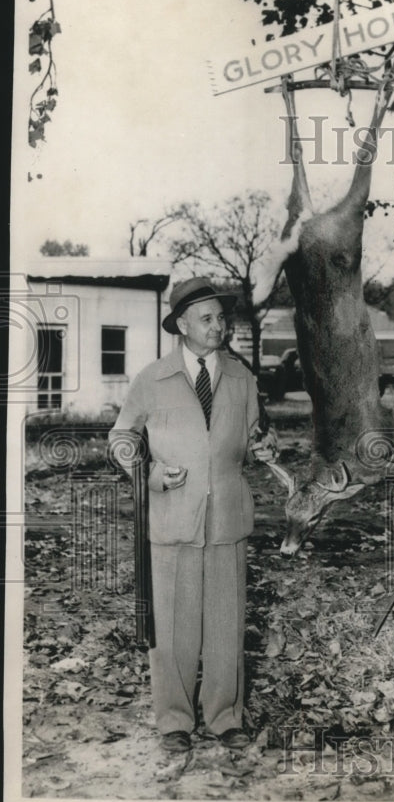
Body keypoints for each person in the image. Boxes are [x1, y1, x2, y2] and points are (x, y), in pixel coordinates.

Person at [110, 277, 268, 754]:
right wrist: (150, 473)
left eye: (222, 317)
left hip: (227, 520)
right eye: (207, 318)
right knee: (174, 629)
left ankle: (225, 717)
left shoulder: (242, 378)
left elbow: (254, 436)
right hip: (172, 520)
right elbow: (121, 439)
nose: (218, 326)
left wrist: (263, 445)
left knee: (225, 626)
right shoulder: (151, 379)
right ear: (182, 325)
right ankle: (174, 720)